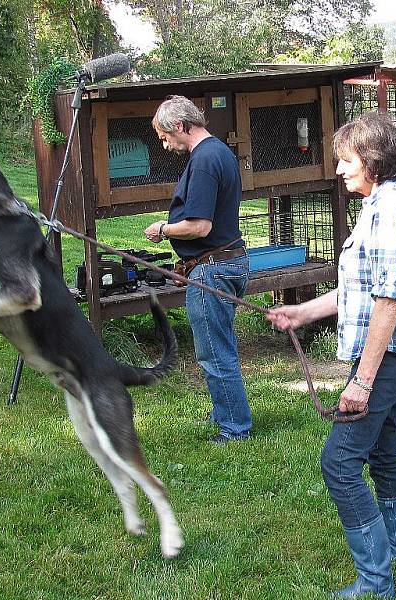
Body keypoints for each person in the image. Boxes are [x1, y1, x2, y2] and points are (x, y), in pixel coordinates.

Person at [267, 112, 396, 598]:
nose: (340, 169)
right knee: (383, 446)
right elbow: (359, 290)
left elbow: (388, 300)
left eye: (347, 160)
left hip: (389, 353)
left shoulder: (389, 210)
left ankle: (376, 580)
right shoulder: (389, 203)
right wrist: (301, 313)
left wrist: (362, 382)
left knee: (339, 463)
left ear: (374, 160)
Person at [144, 95, 252, 445]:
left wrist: (163, 228)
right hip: (228, 261)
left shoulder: (204, 160)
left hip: (212, 268)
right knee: (219, 343)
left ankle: (235, 428)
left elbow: (199, 226)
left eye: (164, 135)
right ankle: (226, 411)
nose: (164, 144)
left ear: (180, 125)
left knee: (213, 351)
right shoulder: (219, 151)